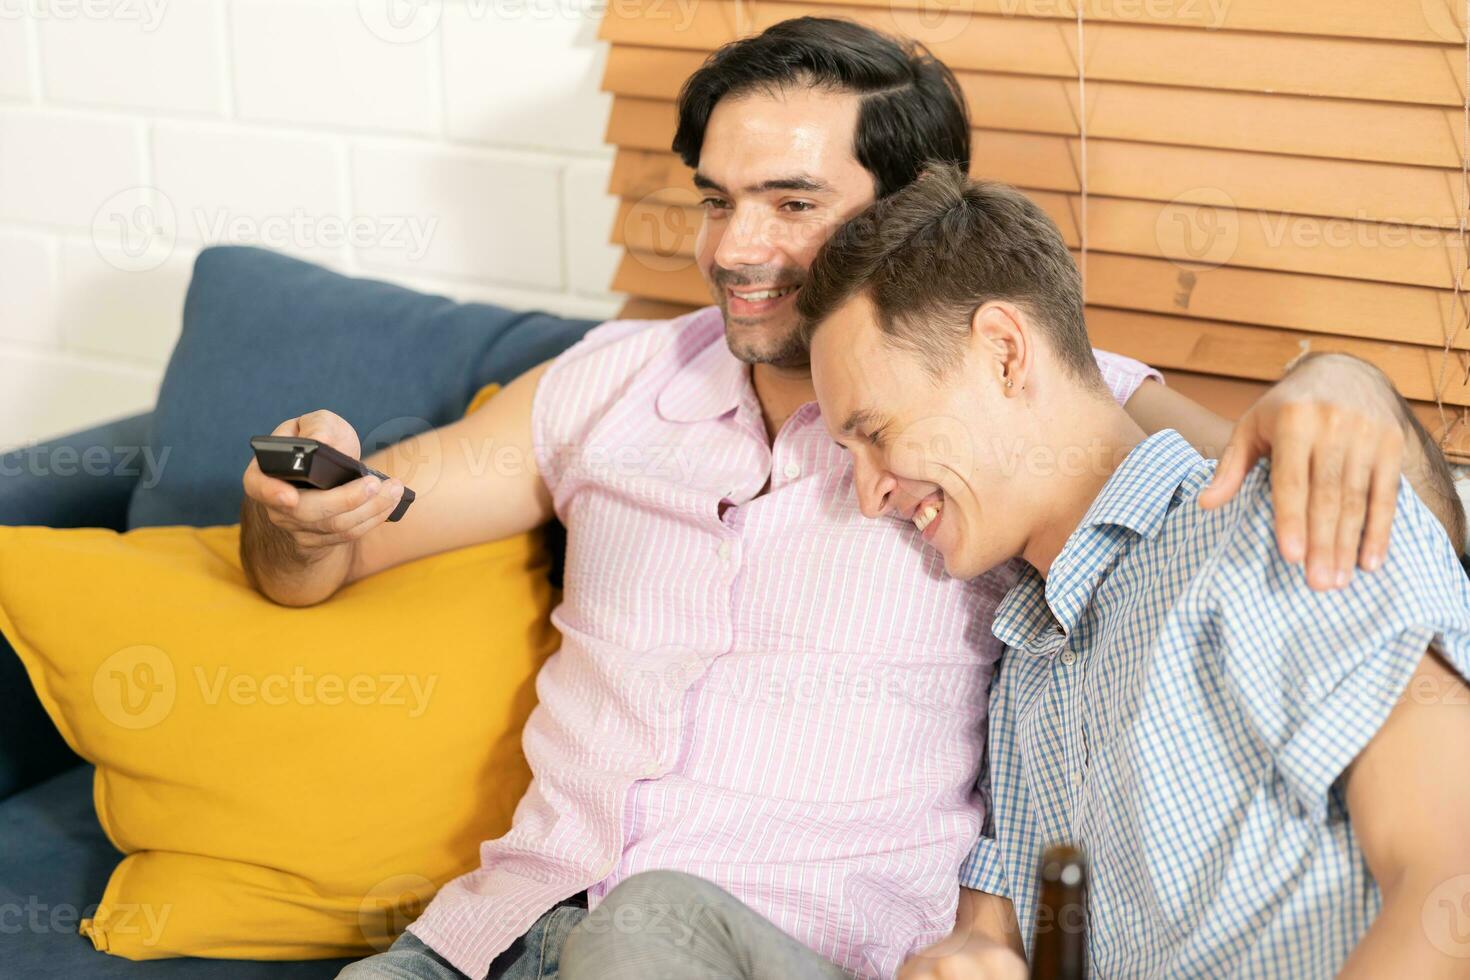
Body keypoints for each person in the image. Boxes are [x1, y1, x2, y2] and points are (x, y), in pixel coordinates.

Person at [237, 19, 1445, 980]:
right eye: (716, 200)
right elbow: (328, 552)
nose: (733, 249)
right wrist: (293, 513)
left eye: (793, 202)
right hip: (494, 931)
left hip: (768, 947)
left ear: (911, 216)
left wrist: (1350, 381)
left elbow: (1316, 514)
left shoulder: (1048, 419)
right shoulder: (611, 385)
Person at [796, 163, 1470, 977]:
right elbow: (994, 938)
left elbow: (1451, 878)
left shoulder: (1276, 518)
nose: (869, 497)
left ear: (1005, 354)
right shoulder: (1025, 677)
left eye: (876, 432)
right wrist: (970, 955)